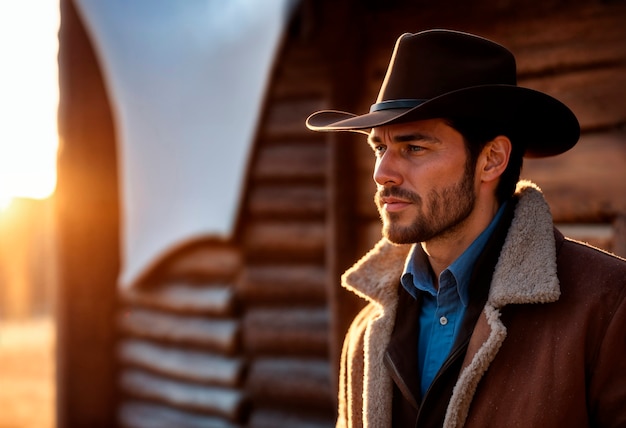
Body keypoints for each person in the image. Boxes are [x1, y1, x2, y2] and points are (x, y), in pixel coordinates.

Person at [306, 29, 626, 427]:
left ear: (491, 160)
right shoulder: (368, 331)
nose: (382, 173)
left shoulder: (608, 306)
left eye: (414, 148)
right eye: (380, 148)